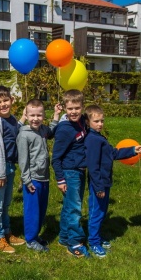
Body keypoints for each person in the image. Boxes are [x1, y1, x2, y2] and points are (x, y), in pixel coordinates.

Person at [84, 105, 141, 258]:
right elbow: (93, 166)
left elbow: (113, 153)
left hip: (105, 182)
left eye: (102, 121)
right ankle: (94, 242)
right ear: (88, 122)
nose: (100, 124)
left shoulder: (100, 137)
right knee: (96, 213)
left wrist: (132, 150)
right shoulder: (92, 140)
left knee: (101, 212)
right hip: (99, 184)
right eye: (96, 121)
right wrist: (98, 187)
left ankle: (97, 237)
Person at [17, 99, 61, 252]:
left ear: (43, 116)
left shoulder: (42, 130)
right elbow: (23, 161)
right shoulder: (24, 135)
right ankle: (30, 239)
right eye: (32, 115)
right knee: (32, 211)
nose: (35, 119)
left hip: (44, 178)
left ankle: (35, 236)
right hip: (32, 180)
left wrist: (56, 115)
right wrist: (27, 181)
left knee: (42, 209)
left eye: (39, 115)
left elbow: (51, 132)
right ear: (26, 115)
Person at [51, 89, 90, 258]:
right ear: (65, 109)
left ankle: (64, 237)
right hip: (70, 172)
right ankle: (75, 242)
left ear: (82, 107)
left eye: (77, 108)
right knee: (74, 208)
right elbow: (56, 158)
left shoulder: (82, 122)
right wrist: (60, 179)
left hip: (79, 170)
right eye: (70, 109)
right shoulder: (65, 129)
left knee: (69, 206)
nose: (74, 112)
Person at [0, 85, 26, 253]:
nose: (3, 104)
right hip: (0, 169)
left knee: (6, 203)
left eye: (5, 100)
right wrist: (1, 172)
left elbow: (16, 129)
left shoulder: (11, 119)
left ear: (12, 100)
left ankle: (6, 231)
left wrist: (24, 118)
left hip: (10, 167)